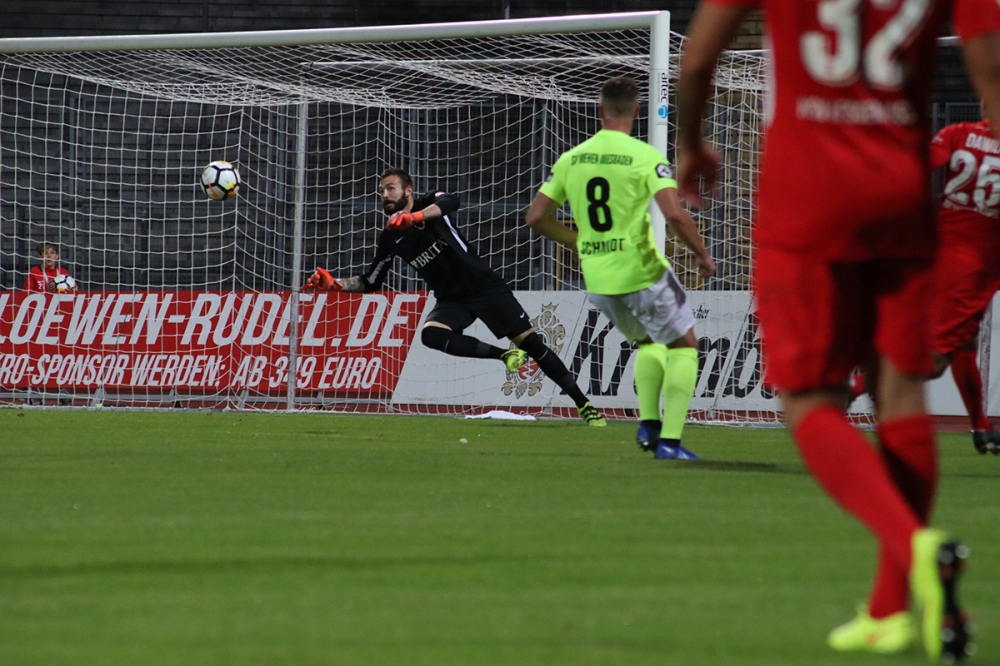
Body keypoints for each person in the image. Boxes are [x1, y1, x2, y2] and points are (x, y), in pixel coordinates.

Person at [676, 1, 1000, 662]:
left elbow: (698, 60)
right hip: (901, 195)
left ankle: (917, 548)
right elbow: (991, 67)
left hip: (808, 196)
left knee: (810, 400)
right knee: (901, 395)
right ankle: (889, 611)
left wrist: (692, 143)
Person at [304, 166, 606, 426]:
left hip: (484, 287)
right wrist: (335, 285)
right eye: (381, 190)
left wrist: (414, 217)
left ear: (408, 191)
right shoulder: (391, 237)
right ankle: (504, 356)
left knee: (533, 344)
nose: (384, 194)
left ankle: (584, 405)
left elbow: (452, 201)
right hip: (451, 299)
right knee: (431, 335)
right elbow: (371, 281)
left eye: (390, 188)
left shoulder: (430, 204)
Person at [524, 75, 715, 460]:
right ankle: (670, 443)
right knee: (685, 346)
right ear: (637, 112)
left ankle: (649, 424)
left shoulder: (571, 158)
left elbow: (536, 217)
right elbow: (675, 215)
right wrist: (702, 254)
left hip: (598, 279)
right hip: (641, 272)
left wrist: (579, 242)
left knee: (648, 342)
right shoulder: (645, 156)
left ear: (600, 111)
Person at [929, 109, 1000, 455]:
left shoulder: (957, 133)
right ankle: (850, 389)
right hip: (973, 264)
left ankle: (981, 428)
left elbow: (921, 163)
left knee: (965, 343)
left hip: (954, 255)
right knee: (935, 358)